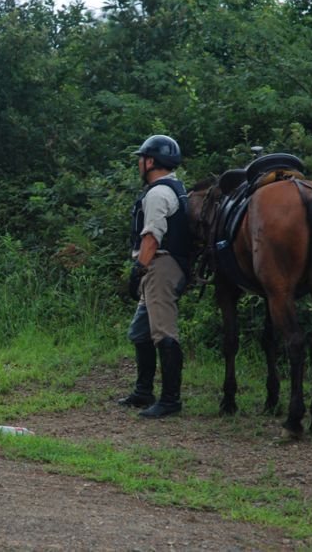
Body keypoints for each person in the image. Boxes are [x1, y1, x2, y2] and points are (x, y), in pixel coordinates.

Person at [118, 134, 192, 418]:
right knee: (140, 331)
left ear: (150, 161)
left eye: (141, 159)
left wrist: (138, 270)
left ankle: (170, 400)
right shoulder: (173, 188)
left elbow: (151, 237)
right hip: (160, 265)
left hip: (160, 266)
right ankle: (143, 391)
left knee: (163, 332)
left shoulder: (158, 193)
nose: (139, 164)